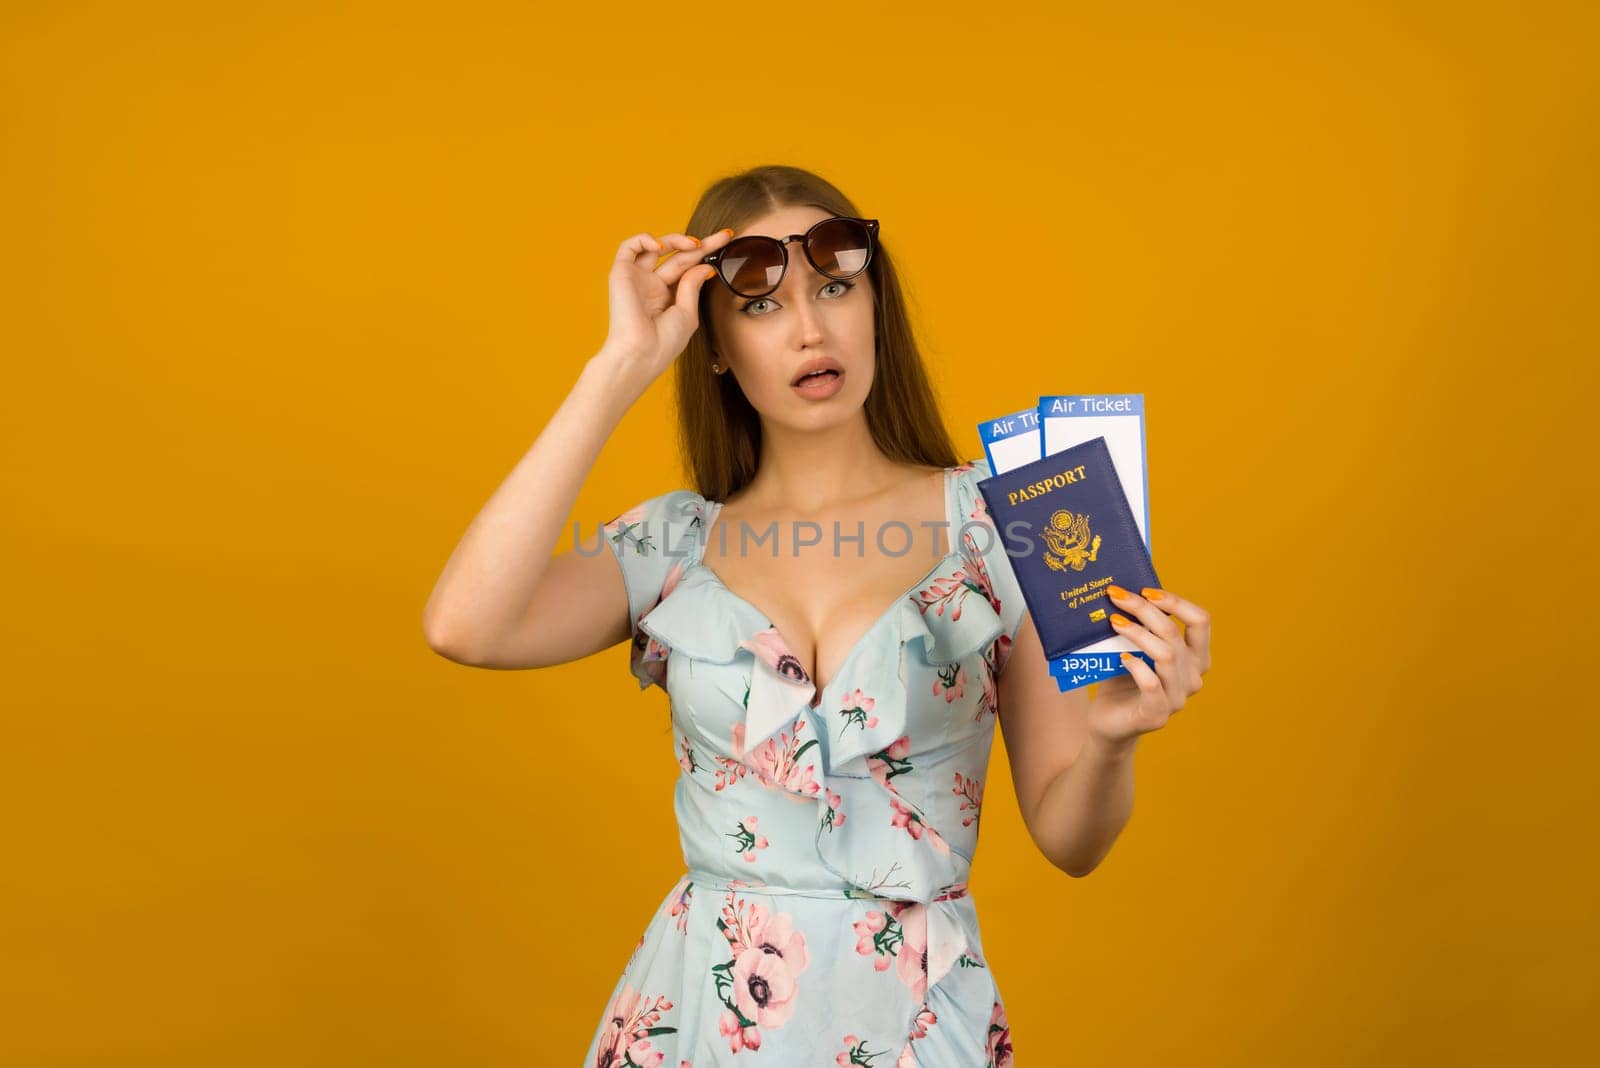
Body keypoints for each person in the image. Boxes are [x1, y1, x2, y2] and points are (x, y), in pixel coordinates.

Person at [422, 164, 1212, 1066]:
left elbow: (1073, 842)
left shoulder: (1006, 525)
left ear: (876, 308)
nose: (809, 328)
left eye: (836, 288)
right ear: (713, 346)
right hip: (702, 1022)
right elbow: (465, 627)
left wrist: (1115, 736)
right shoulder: (673, 546)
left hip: (915, 1022)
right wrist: (621, 365)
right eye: (763, 307)